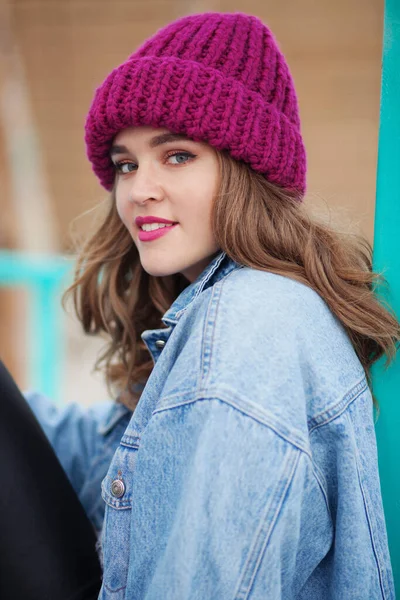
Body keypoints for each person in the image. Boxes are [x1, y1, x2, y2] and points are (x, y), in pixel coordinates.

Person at [25, 11, 400, 599]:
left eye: (177, 156)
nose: (139, 188)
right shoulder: (232, 307)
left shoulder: (251, 321)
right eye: (126, 164)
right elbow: (104, 453)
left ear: (248, 168)